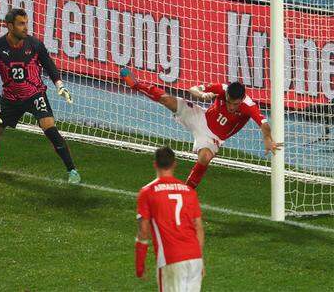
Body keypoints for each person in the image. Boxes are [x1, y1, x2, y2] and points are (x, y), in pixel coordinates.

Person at [121, 68, 283, 188]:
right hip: (200, 117)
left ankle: (187, 192)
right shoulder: (222, 89)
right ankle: (135, 84)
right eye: (229, 102)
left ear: (242, 99)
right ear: (227, 95)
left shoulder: (248, 105)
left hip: (212, 138)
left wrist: (267, 139)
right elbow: (193, 89)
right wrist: (201, 94)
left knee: (204, 157)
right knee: (167, 100)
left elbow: (264, 124)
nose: (232, 107)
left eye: (236, 104)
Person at [0, 8, 80, 183]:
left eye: (26, 23)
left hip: (35, 94)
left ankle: (72, 171)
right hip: (9, 99)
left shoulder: (35, 45)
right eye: (21, 24)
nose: (25, 27)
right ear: (10, 26)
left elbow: (49, 65)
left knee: (50, 129)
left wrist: (60, 85)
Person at [136, 146, 204, 292]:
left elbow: (143, 231)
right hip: (194, 258)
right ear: (174, 164)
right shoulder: (189, 191)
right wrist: (200, 259)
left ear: (155, 164)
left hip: (171, 259)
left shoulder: (148, 192)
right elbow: (198, 227)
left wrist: (140, 265)